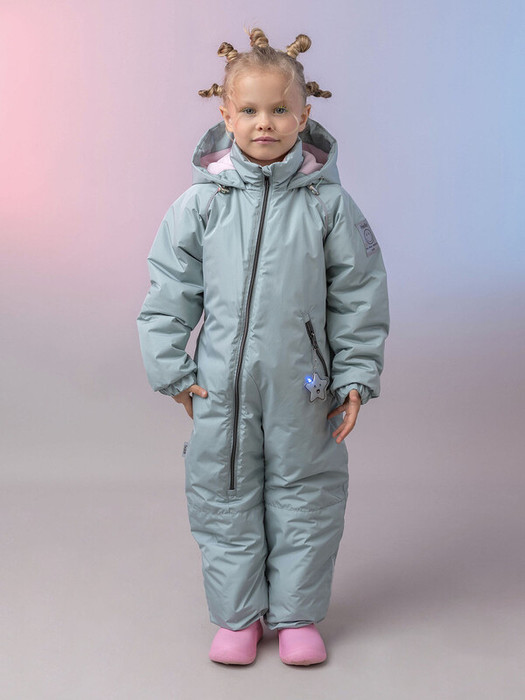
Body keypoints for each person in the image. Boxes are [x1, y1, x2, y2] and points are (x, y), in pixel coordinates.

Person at [137, 26, 389, 666]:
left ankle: (298, 616)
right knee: (222, 490)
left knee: (307, 492)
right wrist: (173, 370)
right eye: (249, 110)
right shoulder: (199, 206)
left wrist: (355, 376)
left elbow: (359, 294)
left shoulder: (329, 206)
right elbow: (169, 290)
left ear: (304, 115)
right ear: (225, 115)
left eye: (280, 109)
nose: (264, 123)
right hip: (221, 385)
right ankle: (238, 617)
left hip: (305, 387)